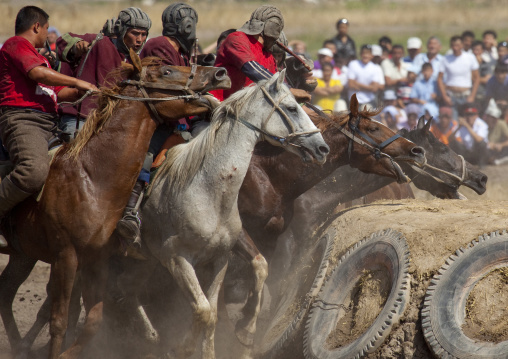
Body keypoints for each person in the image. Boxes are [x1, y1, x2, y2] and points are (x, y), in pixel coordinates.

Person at [0, 6, 97, 248]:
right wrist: (76, 79)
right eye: (45, 28)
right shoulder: (16, 44)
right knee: (33, 172)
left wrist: (83, 91)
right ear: (37, 27)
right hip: (23, 119)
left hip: (47, 122)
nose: (45, 34)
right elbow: (38, 74)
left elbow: (56, 92)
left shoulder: (40, 58)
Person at [56, 7, 151, 137]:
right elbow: (64, 40)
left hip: (111, 124)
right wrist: (77, 45)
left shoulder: (135, 61)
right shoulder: (99, 42)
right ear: (122, 32)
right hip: (80, 119)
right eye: (135, 33)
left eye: (143, 34)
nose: (140, 39)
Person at [212, 5, 283, 101]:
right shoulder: (237, 38)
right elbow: (252, 69)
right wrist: (285, 88)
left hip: (245, 109)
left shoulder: (269, 57)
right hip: (220, 105)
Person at [437, 35, 479, 117]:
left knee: (467, 120)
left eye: (457, 45)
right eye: (453, 45)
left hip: (466, 95)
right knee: (453, 122)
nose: (455, 48)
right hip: (451, 96)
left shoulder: (470, 57)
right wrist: (445, 96)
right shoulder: (445, 59)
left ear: (462, 45)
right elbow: (439, 78)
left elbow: (477, 78)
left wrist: (472, 96)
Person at [347, 44, 385, 109]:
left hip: (369, 100)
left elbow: (374, 88)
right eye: (364, 53)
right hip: (354, 100)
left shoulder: (375, 68)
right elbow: (351, 85)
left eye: (368, 53)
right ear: (360, 54)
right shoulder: (353, 64)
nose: (365, 56)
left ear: (371, 55)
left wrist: (357, 83)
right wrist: (369, 87)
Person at [472, 40, 495, 108]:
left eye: (478, 50)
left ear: (482, 50)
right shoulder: (466, 63)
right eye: (474, 50)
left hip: (482, 94)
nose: (475, 52)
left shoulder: (486, 63)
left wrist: (474, 78)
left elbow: (487, 79)